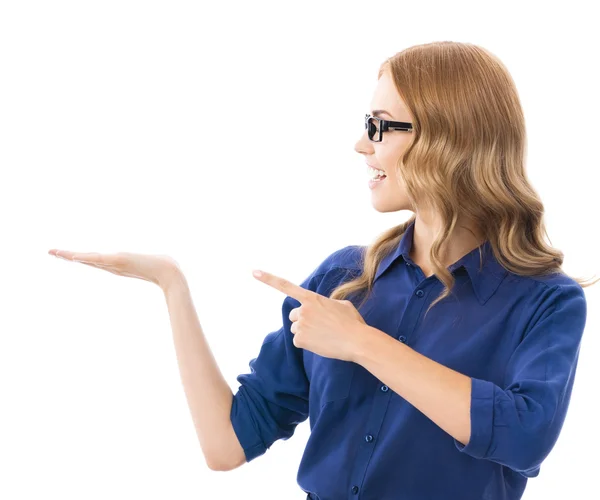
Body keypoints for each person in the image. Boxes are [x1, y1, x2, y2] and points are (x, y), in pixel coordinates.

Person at [49, 41, 598, 500]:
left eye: (380, 126)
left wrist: (362, 344)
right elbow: (227, 446)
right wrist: (172, 285)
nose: (361, 144)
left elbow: (525, 436)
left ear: (447, 139)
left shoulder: (544, 301)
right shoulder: (342, 280)